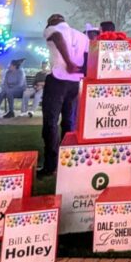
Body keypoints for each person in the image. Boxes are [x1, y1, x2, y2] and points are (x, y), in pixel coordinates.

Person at [40, 13, 86, 176]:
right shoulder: (82, 36)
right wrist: (80, 70)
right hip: (75, 83)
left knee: (51, 122)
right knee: (69, 121)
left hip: (58, 79)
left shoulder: (53, 29)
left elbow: (58, 37)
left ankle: (51, 165)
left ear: (51, 22)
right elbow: (88, 58)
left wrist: (69, 62)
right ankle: (67, 162)